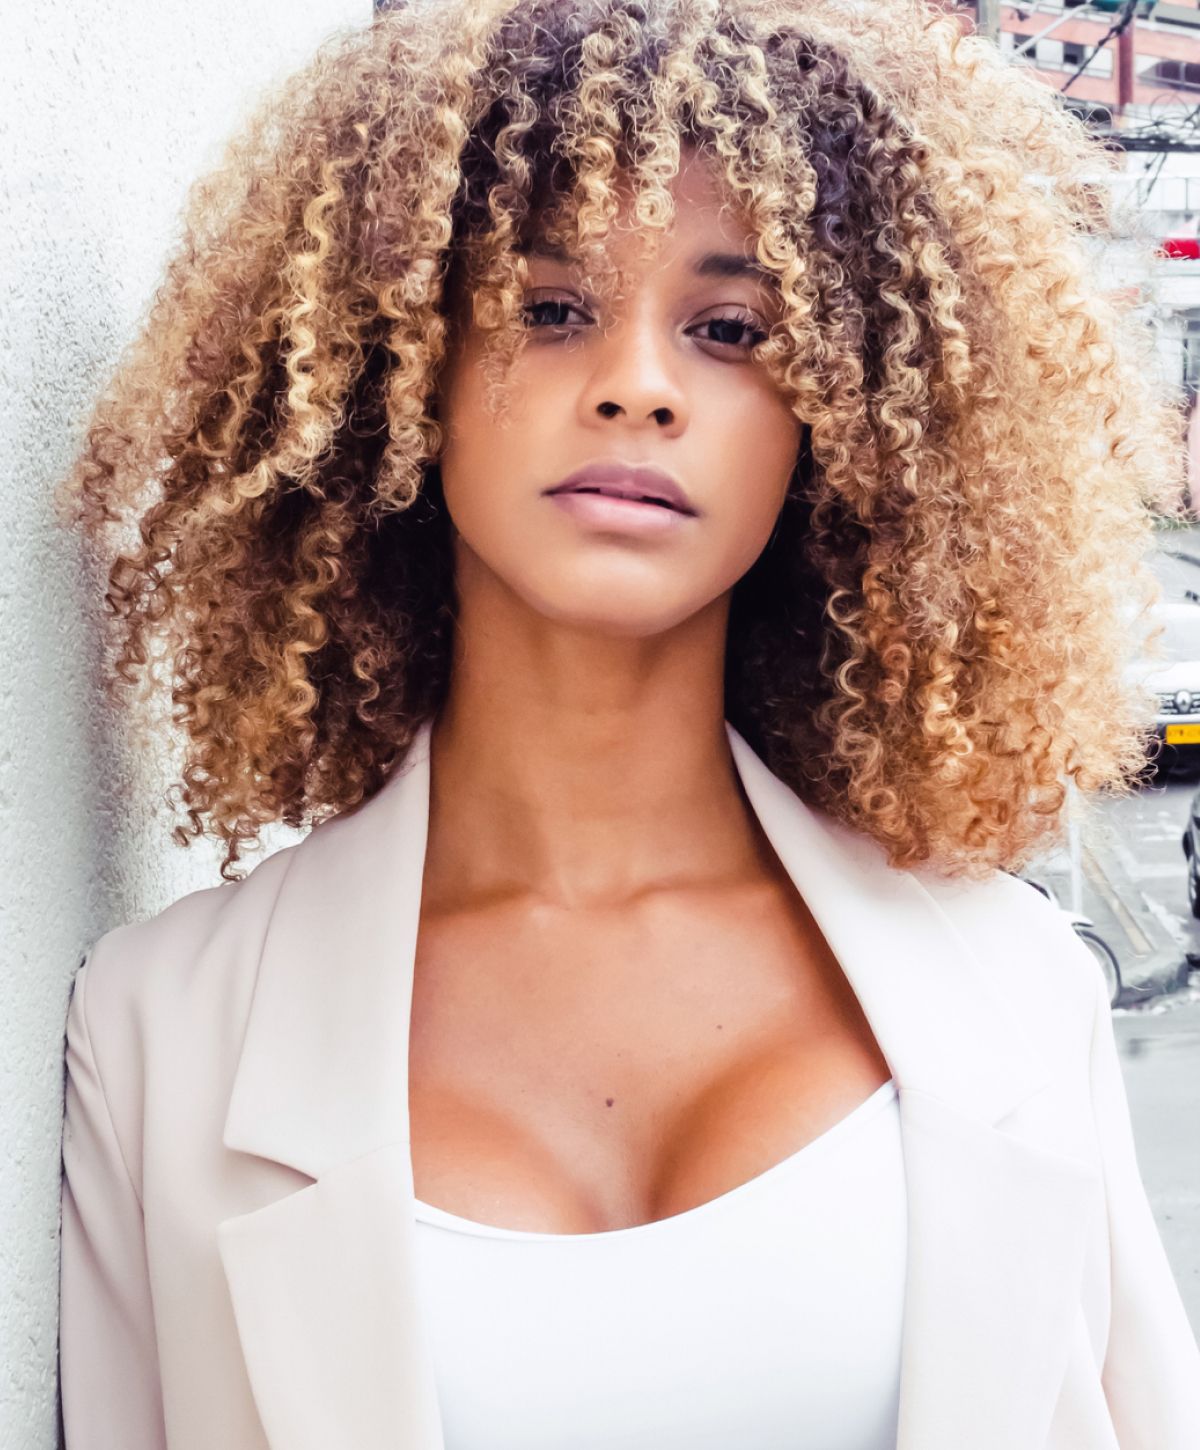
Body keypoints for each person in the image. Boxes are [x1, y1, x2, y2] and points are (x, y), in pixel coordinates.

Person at [56, 0, 1200, 1446]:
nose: (638, 385)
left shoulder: (1020, 988)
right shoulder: (166, 1030)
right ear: (389, 367)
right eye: (548, 308)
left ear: (839, 423)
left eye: (729, 330)